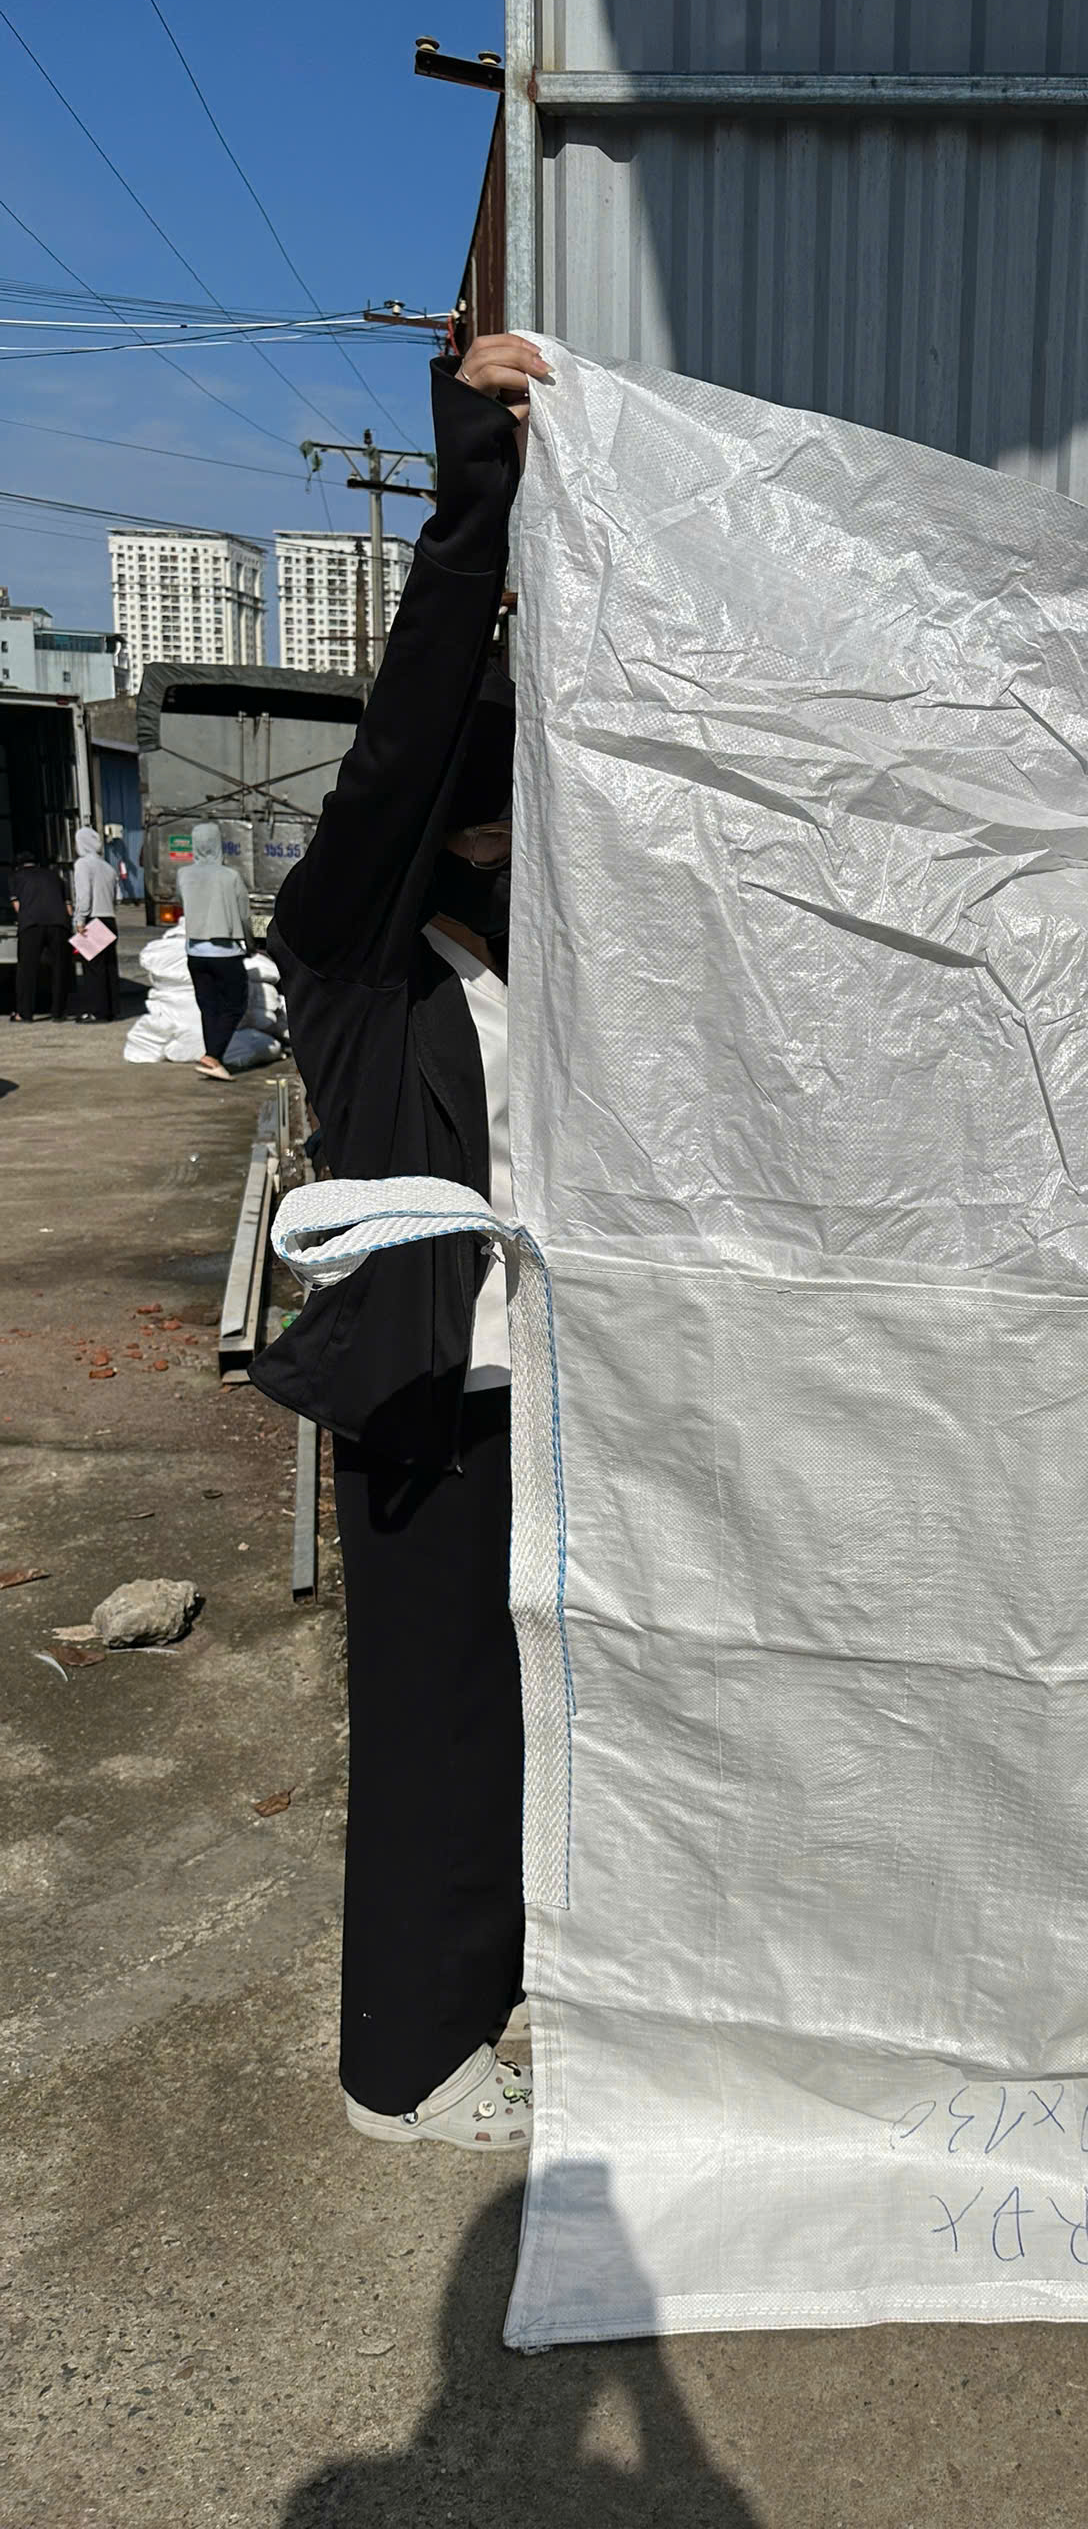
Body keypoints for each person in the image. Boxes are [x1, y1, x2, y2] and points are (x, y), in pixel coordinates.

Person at [250, 332, 550, 2151]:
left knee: (518, 1717)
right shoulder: (360, 957)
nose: (505, 828)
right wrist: (475, 482)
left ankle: (496, 1984)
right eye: (485, 799)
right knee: (433, 1727)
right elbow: (412, 727)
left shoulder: (532, 966)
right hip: (430, 1397)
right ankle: (404, 2069)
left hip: (550, 1402)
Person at [175, 823, 252, 1079]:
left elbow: (182, 902)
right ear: (219, 843)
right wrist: (251, 944)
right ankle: (213, 1055)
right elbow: (245, 916)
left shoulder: (183, 874)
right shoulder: (230, 876)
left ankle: (213, 1059)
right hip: (225, 953)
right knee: (236, 1004)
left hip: (195, 952)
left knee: (209, 1007)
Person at [8, 850, 72, 1022]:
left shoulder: (16, 877)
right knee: (60, 968)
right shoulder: (54, 876)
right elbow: (68, 907)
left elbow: (17, 906)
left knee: (27, 969)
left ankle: (25, 1013)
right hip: (59, 923)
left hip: (32, 924)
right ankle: (59, 1012)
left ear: (18, 865)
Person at [68, 824, 120, 1023]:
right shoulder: (108, 867)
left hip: (93, 917)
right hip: (109, 918)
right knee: (109, 966)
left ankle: (96, 1011)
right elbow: (117, 896)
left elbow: (84, 895)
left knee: (93, 969)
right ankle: (111, 1009)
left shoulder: (83, 864)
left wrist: (79, 919)